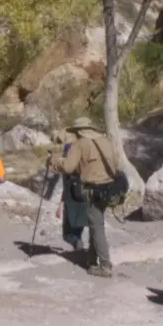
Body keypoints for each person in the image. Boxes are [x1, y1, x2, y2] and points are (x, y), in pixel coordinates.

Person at [55, 116, 124, 277]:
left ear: (78, 131)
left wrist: (55, 161)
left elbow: (68, 167)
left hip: (92, 190)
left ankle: (105, 265)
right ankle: (91, 260)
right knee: (95, 224)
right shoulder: (105, 141)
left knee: (97, 226)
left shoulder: (80, 144)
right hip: (109, 189)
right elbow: (116, 163)